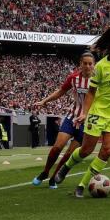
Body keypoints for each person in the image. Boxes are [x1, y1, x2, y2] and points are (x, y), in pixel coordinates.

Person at [55, 25, 110, 198]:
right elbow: (91, 92)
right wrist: (85, 113)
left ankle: (82, 185)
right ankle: (66, 167)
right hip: (99, 113)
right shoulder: (101, 67)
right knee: (86, 150)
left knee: (106, 151)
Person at [32, 51, 94, 188]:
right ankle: (45, 172)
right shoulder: (73, 78)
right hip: (72, 117)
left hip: (87, 122)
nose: (88, 66)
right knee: (57, 147)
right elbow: (61, 91)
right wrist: (44, 101)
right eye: (85, 63)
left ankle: (54, 177)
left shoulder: (98, 81)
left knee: (69, 154)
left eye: (90, 64)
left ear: (94, 65)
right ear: (80, 64)